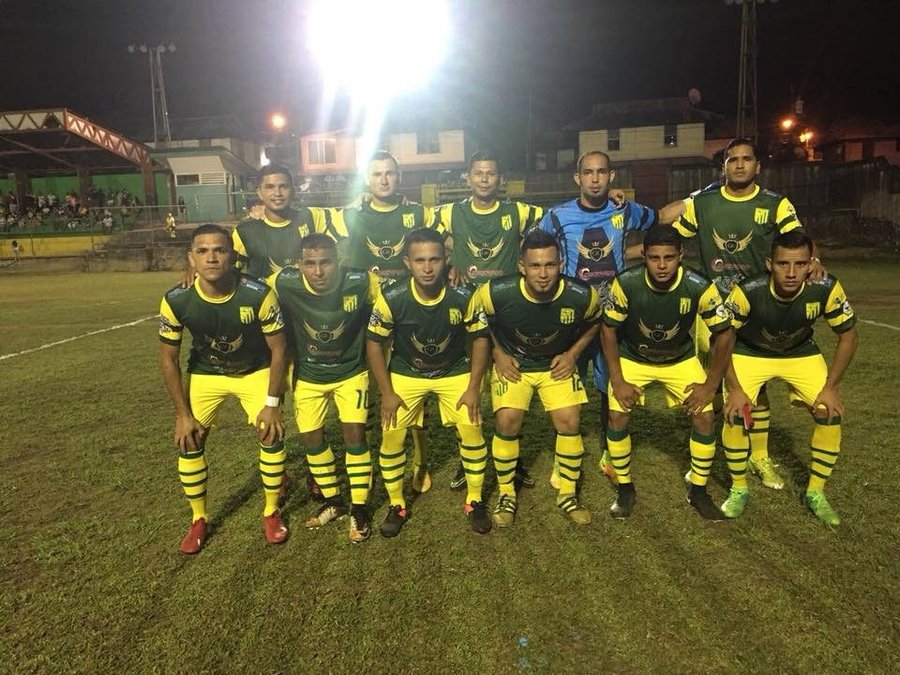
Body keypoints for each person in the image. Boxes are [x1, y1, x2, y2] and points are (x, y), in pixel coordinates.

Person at [669, 137, 826, 491]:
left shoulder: (774, 203)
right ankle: (709, 453)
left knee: (756, 384)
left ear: (758, 166)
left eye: (746, 159)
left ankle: (758, 456)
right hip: (714, 308)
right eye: (732, 159)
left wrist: (814, 259)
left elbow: (799, 239)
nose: (739, 165)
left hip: (758, 308)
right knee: (716, 382)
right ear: (723, 166)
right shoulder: (703, 203)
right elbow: (672, 239)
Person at [159, 223, 289, 554]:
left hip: (254, 370)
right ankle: (198, 518)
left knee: (270, 432)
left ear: (233, 256)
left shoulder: (258, 294)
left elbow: (279, 350)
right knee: (190, 439)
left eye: (219, 250)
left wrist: (272, 404)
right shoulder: (176, 299)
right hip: (207, 373)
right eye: (202, 251)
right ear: (191, 258)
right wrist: (182, 414)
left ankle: (271, 511)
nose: (212, 258)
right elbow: (168, 360)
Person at [719, 230, 858, 525]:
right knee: (735, 412)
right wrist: (734, 388)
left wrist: (832, 387)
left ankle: (816, 493)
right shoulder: (748, 290)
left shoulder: (825, 287)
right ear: (770, 264)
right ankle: (739, 488)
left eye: (800, 264)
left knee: (829, 412)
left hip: (799, 353)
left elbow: (848, 335)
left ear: (812, 263)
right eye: (783, 264)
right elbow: (722, 338)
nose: (792, 273)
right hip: (750, 352)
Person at [538, 150, 659, 484]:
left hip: (612, 316)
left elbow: (659, 218)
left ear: (611, 176)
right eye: (588, 173)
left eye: (601, 172)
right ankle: (565, 454)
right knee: (566, 385)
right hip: (572, 317)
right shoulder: (557, 216)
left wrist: (701, 197)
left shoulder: (625, 210)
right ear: (577, 178)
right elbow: (534, 248)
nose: (595, 179)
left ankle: (610, 451)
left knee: (611, 385)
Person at [600, 225, 735, 520]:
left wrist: (710, 385)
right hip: (634, 357)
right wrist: (618, 380)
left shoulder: (699, 285)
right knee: (617, 414)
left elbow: (725, 334)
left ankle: (698, 490)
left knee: (704, 416)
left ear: (681, 255)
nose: (662, 265)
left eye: (669, 258)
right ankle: (625, 488)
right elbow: (608, 330)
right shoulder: (625, 283)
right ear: (644, 256)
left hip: (679, 358)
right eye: (654, 258)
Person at [327, 151, 442, 492]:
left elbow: (451, 235)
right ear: (367, 179)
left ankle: (421, 461)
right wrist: (258, 211)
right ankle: (372, 462)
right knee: (371, 394)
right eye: (377, 174)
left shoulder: (418, 213)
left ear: (399, 176)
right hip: (365, 317)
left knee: (414, 390)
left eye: (390, 173)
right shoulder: (350, 215)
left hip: (410, 315)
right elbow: (303, 223)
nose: (384, 179)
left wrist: (456, 267)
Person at [367, 228, 492, 536]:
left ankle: (475, 500)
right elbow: (374, 344)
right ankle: (396, 504)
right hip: (407, 371)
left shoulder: (464, 293)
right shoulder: (392, 297)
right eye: (419, 260)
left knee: (472, 429)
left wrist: (473, 388)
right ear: (407, 262)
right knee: (392, 435)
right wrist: (387, 393)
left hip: (453, 370)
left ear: (446, 259)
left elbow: (480, 338)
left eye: (434, 259)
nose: (427, 268)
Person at [473, 229, 602, 526]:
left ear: (561, 264)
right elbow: (478, 321)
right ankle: (507, 494)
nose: (543, 274)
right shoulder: (494, 292)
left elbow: (596, 322)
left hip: (554, 365)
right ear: (522, 267)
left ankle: (568, 494)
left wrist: (572, 354)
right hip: (514, 366)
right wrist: (497, 353)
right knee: (507, 419)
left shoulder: (582, 295)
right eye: (535, 266)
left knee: (569, 420)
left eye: (550, 265)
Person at [436, 150, 544, 491]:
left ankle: (513, 458)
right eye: (478, 173)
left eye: (491, 173)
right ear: (468, 178)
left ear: (501, 179)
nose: (485, 179)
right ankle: (467, 457)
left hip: (506, 313)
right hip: (465, 313)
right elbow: (420, 238)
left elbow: (561, 218)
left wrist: (613, 199)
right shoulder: (450, 212)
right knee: (467, 388)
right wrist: (447, 262)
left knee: (509, 388)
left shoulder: (519, 211)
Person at [273, 233, 381, 543]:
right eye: (310, 264)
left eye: (326, 262)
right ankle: (333, 501)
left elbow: (394, 300)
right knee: (311, 439)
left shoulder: (362, 281)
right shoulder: (283, 282)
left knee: (355, 435)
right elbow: (244, 286)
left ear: (339, 261)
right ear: (299, 265)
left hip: (352, 371)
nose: (318, 271)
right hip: (308, 375)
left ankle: (359, 507)